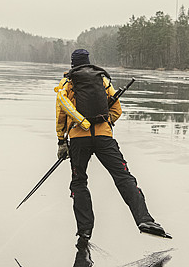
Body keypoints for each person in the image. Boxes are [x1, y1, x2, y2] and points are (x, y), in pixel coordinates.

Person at [54, 49, 168, 240]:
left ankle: (85, 230)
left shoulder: (68, 82)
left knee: (79, 181)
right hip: (104, 138)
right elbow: (117, 109)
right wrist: (107, 123)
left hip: (78, 139)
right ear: (89, 62)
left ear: (73, 64)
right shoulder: (102, 80)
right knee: (123, 177)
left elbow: (61, 113)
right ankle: (144, 219)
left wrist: (61, 141)